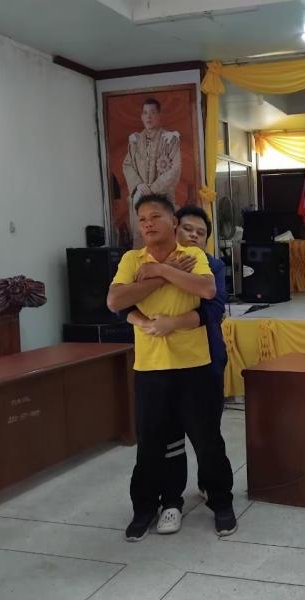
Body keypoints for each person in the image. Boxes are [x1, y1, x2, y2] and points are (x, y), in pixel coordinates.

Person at [107, 194, 235, 542]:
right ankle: (149, 506)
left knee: (207, 439)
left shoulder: (194, 257)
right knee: (152, 442)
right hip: (150, 366)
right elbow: (116, 301)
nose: (147, 224)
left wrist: (164, 270)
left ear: (171, 223)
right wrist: (163, 277)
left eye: (155, 217)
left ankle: (221, 501)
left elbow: (208, 293)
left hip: (195, 364)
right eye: (142, 219)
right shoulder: (132, 259)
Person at [122, 98, 182, 247]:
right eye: (145, 113)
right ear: (141, 117)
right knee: (141, 239)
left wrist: (153, 189)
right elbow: (127, 165)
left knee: (163, 238)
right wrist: (138, 185)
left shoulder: (169, 139)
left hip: (162, 198)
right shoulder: (135, 141)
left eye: (153, 112)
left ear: (159, 115)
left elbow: (175, 168)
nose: (148, 117)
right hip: (140, 197)